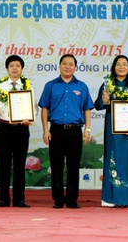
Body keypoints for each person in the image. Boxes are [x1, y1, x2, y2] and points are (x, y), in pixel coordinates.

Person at [38, 54, 93, 209]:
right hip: (56, 130)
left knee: (73, 167)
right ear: (59, 66)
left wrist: (87, 129)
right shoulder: (51, 86)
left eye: (71, 64)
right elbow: (44, 108)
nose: (67, 66)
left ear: (75, 67)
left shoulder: (82, 86)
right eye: (65, 63)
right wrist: (45, 130)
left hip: (75, 131)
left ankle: (72, 200)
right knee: (56, 167)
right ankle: (58, 199)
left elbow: (87, 109)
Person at [94, 55, 128, 207]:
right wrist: (104, 100)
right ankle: (112, 199)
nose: (121, 67)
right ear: (114, 67)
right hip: (113, 130)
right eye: (118, 64)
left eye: (125, 64)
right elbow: (98, 105)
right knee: (113, 159)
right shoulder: (107, 84)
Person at [0, 54, 35, 208]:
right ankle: (3, 199)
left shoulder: (28, 86)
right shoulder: (0, 86)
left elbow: (33, 107)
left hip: (21, 129)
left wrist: (30, 117)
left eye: (18, 66)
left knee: (19, 165)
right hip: (4, 128)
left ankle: (19, 199)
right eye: (11, 66)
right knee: (3, 165)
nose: (15, 69)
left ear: (22, 69)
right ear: (7, 69)